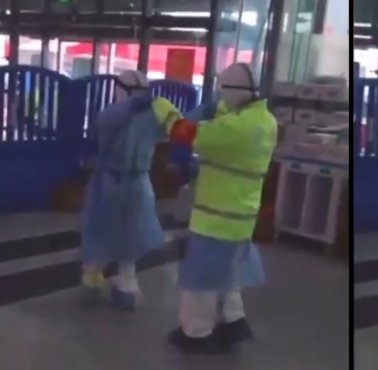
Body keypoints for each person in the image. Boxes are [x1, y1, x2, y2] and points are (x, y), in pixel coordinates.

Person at [165, 62, 277, 354]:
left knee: (199, 277)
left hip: (216, 217)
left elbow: (186, 134)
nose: (220, 97)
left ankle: (195, 333)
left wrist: (163, 110)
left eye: (223, 90)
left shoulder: (237, 126)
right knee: (226, 274)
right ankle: (233, 321)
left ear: (234, 91)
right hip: (239, 216)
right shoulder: (263, 119)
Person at [80, 70, 183, 311]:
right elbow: (172, 131)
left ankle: (93, 281)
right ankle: (125, 287)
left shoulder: (112, 114)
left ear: (120, 90)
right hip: (138, 184)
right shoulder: (148, 115)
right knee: (130, 236)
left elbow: (104, 126)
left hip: (109, 183)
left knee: (100, 233)